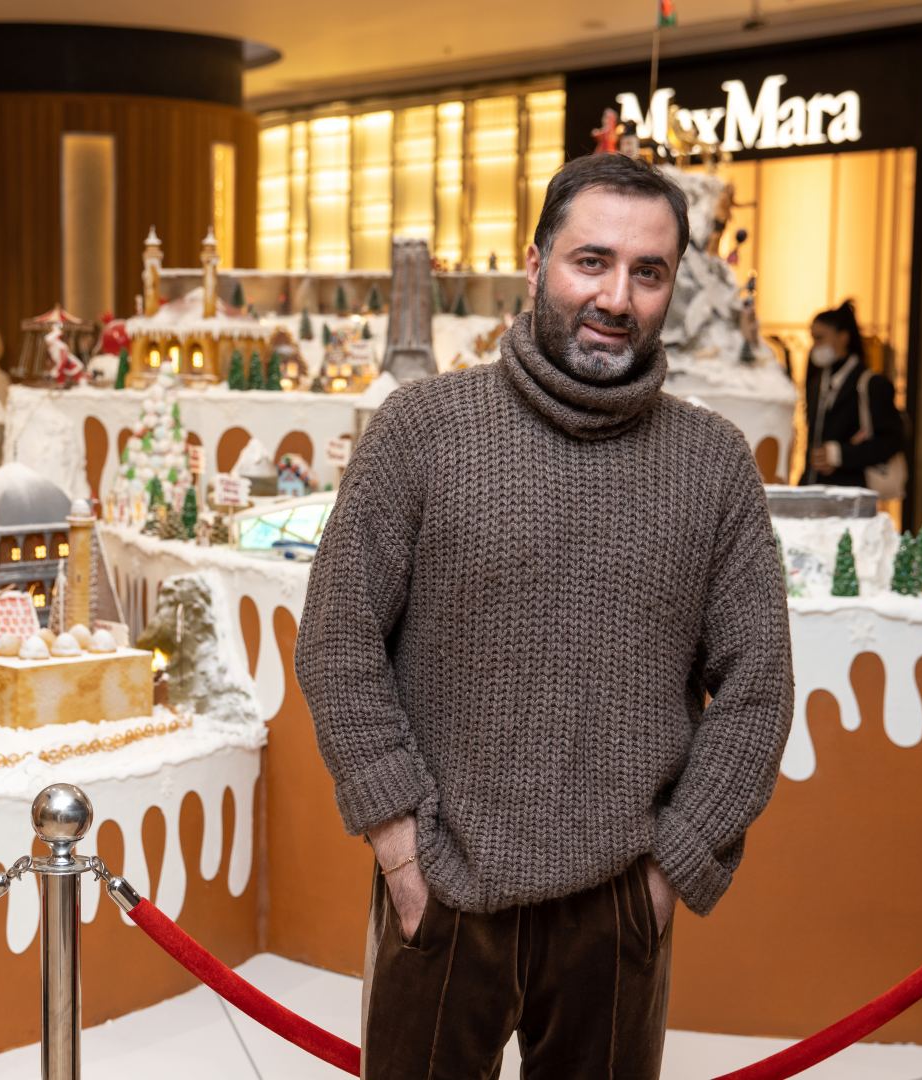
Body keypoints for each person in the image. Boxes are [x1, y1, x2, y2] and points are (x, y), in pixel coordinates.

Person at [295, 153, 794, 1078]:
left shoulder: (713, 463)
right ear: (535, 266)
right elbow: (337, 639)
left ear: (671, 289)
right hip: (442, 888)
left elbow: (760, 690)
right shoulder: (423, 429)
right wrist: (400, 846)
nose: (616, 295)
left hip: (618, 905)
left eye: (647, 273)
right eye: (590, 261)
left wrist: (669, 871)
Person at [800, 300, 905, 488]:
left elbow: (892, 441)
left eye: (820, 338)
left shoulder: (871, 385)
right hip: (814, 492)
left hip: (853, 496)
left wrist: (841, 455)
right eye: (813, 338)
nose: (814, 346)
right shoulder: (816, 383)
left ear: (843, 337)